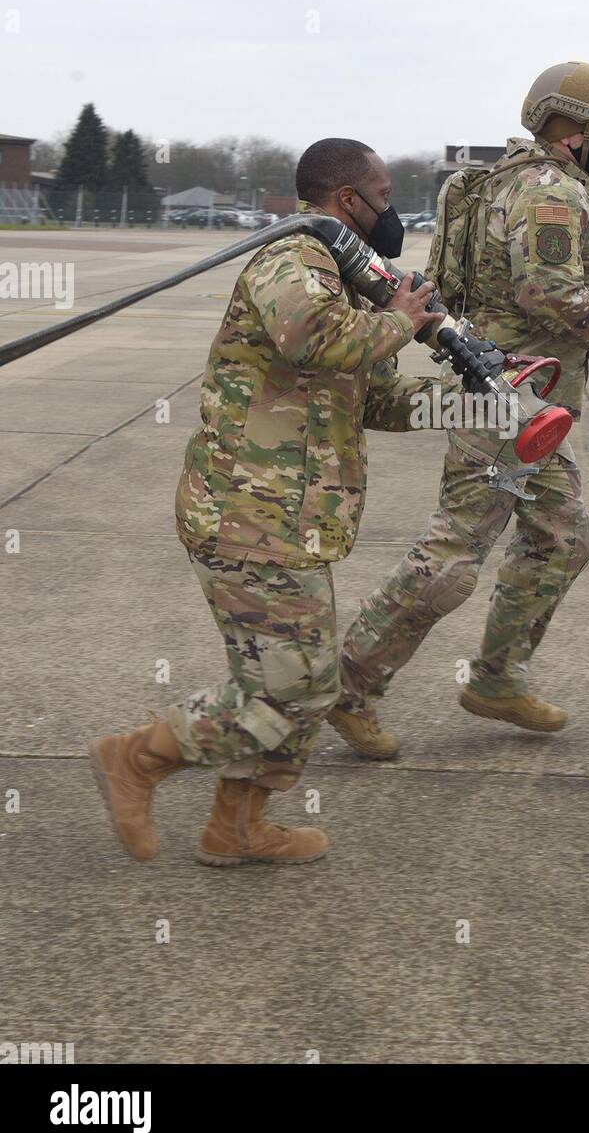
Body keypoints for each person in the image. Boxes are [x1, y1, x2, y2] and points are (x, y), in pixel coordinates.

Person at [89, 138, 442, 866]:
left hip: (294, 520)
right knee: (293, 691)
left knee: (298, 685)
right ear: (349, 200)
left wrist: (474, 404)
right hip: (249, 516)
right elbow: (314, 343)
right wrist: (403, 321)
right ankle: (138, 758)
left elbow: (372, 395)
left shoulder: (339, 280)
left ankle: (237, 828)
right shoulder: (295, 259)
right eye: (382, 191)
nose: (392, 208)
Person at [335, 62, 589, 758]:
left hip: (533, 407)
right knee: (451, 558)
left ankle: (496, 678)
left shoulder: (515, 180)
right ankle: (348, 689)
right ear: (566, 128)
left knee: (563, 540)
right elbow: (551, 294)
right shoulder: (550, 194)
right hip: (505, 404)